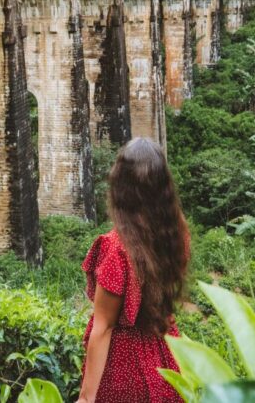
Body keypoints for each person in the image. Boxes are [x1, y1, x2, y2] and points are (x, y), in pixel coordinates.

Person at [77, 137, 190, 403]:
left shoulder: (116, 248)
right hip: (166, 357)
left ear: (121, 188)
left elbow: (104, 326)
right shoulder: (176, 234)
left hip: (123, 368)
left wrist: (85, 397)